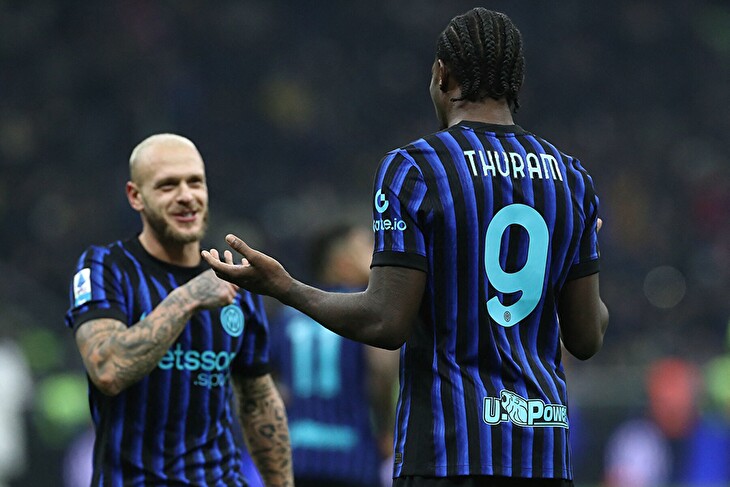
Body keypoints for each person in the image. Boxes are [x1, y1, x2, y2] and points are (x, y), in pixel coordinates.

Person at [203, 7, 608, 487]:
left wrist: (286, 288)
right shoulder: (571, 180)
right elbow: (587, 337)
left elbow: (385, 320)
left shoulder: (416, 168)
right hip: (543, 455)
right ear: (515, 83)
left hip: (447, 451)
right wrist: (581, 253)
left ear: (442, 75)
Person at [64, 133, 293, 486]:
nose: (186, 195)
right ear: (135, 196)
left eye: (195, 182)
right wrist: (188, 298)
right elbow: (107, 369)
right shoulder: (105, 268)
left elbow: (258, 401)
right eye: (168, 185)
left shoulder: (234, 278)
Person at [268, 223, 399, 487]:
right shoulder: (363, 311)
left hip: (295, 455)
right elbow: (382, 372)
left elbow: (267, 381)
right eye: (368, 247)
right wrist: (386, 430)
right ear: (342, 262)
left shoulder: (289, 315)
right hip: (352, 458)